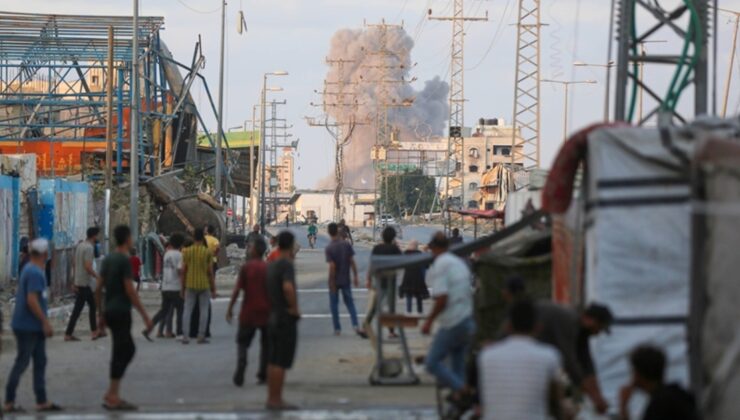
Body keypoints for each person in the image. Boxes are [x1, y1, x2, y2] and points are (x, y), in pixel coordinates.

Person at [478, 300, 567, 420]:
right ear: (538, 327)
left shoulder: (486, 356)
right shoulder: (549, 355)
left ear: (508, 326)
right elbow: (556, 401)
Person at [96, 225, 152, 411]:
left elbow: (98, 288)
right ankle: (112, 394)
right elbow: (130, 289)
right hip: (121, 311)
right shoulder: (123, 260)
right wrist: (145, 316)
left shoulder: (108, 259)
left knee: (119, 351)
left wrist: (100, 314)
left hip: (110, 311)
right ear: (127, 239)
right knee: (127, 350)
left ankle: (113, 394)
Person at [4, 238, 62, 413]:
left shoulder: (30, 269)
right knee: (22, 362)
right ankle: (9, 402)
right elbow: (32, 300)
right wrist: (45, 322)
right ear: (45, 254)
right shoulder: (35, 272)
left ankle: (41, 400)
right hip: (28, 326)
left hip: (31, 326)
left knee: (40, 361)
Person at [421, 232, 475, 402]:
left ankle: (463, 389)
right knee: (457, 364)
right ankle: (460, 399)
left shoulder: (441, 264)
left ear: (435, 248)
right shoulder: (457, 262)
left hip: (453, 321)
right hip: (467, 320)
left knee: (432, 363)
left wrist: (429, 321)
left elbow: (442, 298)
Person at [536, 301, 613, 414]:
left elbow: (587, 363)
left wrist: (598, 396)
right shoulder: (570, 322)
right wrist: (595, 398)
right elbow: (570, 363)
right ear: (590, 320)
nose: (598, 333)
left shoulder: (583, 330)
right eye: (599, 328)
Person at [226, 237, 270, 386]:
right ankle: (263, 373)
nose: (248, 250)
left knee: (243, 342)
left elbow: (237, 290)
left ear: (256, 250)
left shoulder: (247, 268)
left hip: (249, 311)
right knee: (266, 344)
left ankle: (241, 365)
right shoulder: (268, 268)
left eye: (250, 247)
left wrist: (230, 308)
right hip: (266, 311)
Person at [265, 231, 301, 410]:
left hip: (271, 315)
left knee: (273, 360)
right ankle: (276, 399)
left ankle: (271, 397)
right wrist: (294, 308)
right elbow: (287, 287)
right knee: (281, 361)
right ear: (291, 245)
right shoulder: (286, 265)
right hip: (284, 317)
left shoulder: (271, 265)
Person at [619, 345, 697, 420]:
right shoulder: (680, 394)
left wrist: (623, 407)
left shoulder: (657, 406)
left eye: (633, 371)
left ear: (638, 375)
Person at [362, 226, 402, 342]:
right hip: (391, 281)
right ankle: (391, 331)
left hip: (379, 280)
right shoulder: (395, 249)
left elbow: (372, 264)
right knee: (391, 307)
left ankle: (366, 327)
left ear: (382, 236)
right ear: (393, 237)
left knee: (374, 306)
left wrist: (368, 278)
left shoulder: (377, 248)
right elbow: (401, 262)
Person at [325, 222, 364, 337]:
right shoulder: (346, 245)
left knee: (334, 305)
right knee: (350, 303)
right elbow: (352, 262)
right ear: (337, 232)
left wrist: (331, 281)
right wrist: (356, 276)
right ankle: (355, 325)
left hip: (335, 280)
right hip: (345, 279)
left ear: (328, 232)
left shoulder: (329, 248)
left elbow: (332, 266)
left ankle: (337, 328)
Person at [65, 227, 103, 341]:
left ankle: (93, 332)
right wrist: (97, 276)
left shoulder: (80, 246)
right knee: (80, 309)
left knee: (90, 306)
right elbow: (87, 266)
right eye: (97, 235)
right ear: (94, 236)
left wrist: (74, 280)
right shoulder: (89, 248)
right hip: (84, 283)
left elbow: (74, 264)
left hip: (80, 281)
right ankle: (71, 333)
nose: (98, 237)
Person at [145, 233, 185, 339]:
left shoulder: (167, 254)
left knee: (164, 311)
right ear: (181, 244)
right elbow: (180, 272)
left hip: (165, 287)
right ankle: (180, 333)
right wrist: (183, 288)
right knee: (180, 309)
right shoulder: (179, 255)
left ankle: (148, 328)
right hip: (175, 287)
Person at [181, 228, 216, 344]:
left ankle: (185, 336)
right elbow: (210, 272)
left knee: (187, 310)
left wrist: (182, 287)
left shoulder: (187, 252)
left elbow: (184, 271)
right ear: (203, 238)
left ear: (193, 237)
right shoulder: (207, 253)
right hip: (203, 284)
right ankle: (201, 336)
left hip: (190, 284)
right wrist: (213, 288)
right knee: (204, 310)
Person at [398, 240, 429, 314]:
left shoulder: (406, 254)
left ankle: (409, 311)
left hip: (408, 277)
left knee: (409, 295)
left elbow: (400, 263)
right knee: (419, 296)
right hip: (418, 278)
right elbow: (426, 265)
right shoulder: (419, 254)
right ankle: (420, 311)